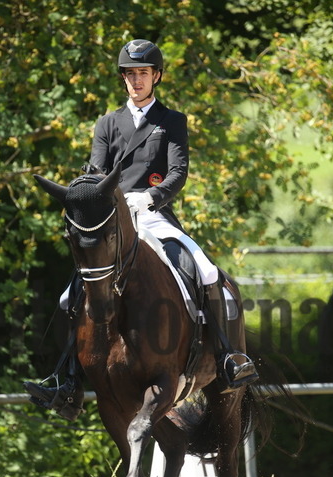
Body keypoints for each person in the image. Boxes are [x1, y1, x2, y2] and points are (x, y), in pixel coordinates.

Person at [25, 39, 258, 419]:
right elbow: (96, 173)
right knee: (71, 297)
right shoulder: (107, 123)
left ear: (156, 77)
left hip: (154, 213)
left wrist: (149, 197)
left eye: (143, 73)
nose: (136, 80)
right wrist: (102, 200)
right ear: (124, 79)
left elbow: (178, 173)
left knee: (207, 271)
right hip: (113, 219)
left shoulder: (171, 121)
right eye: (130, 74)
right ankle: (67, 380)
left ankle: (229, 357)